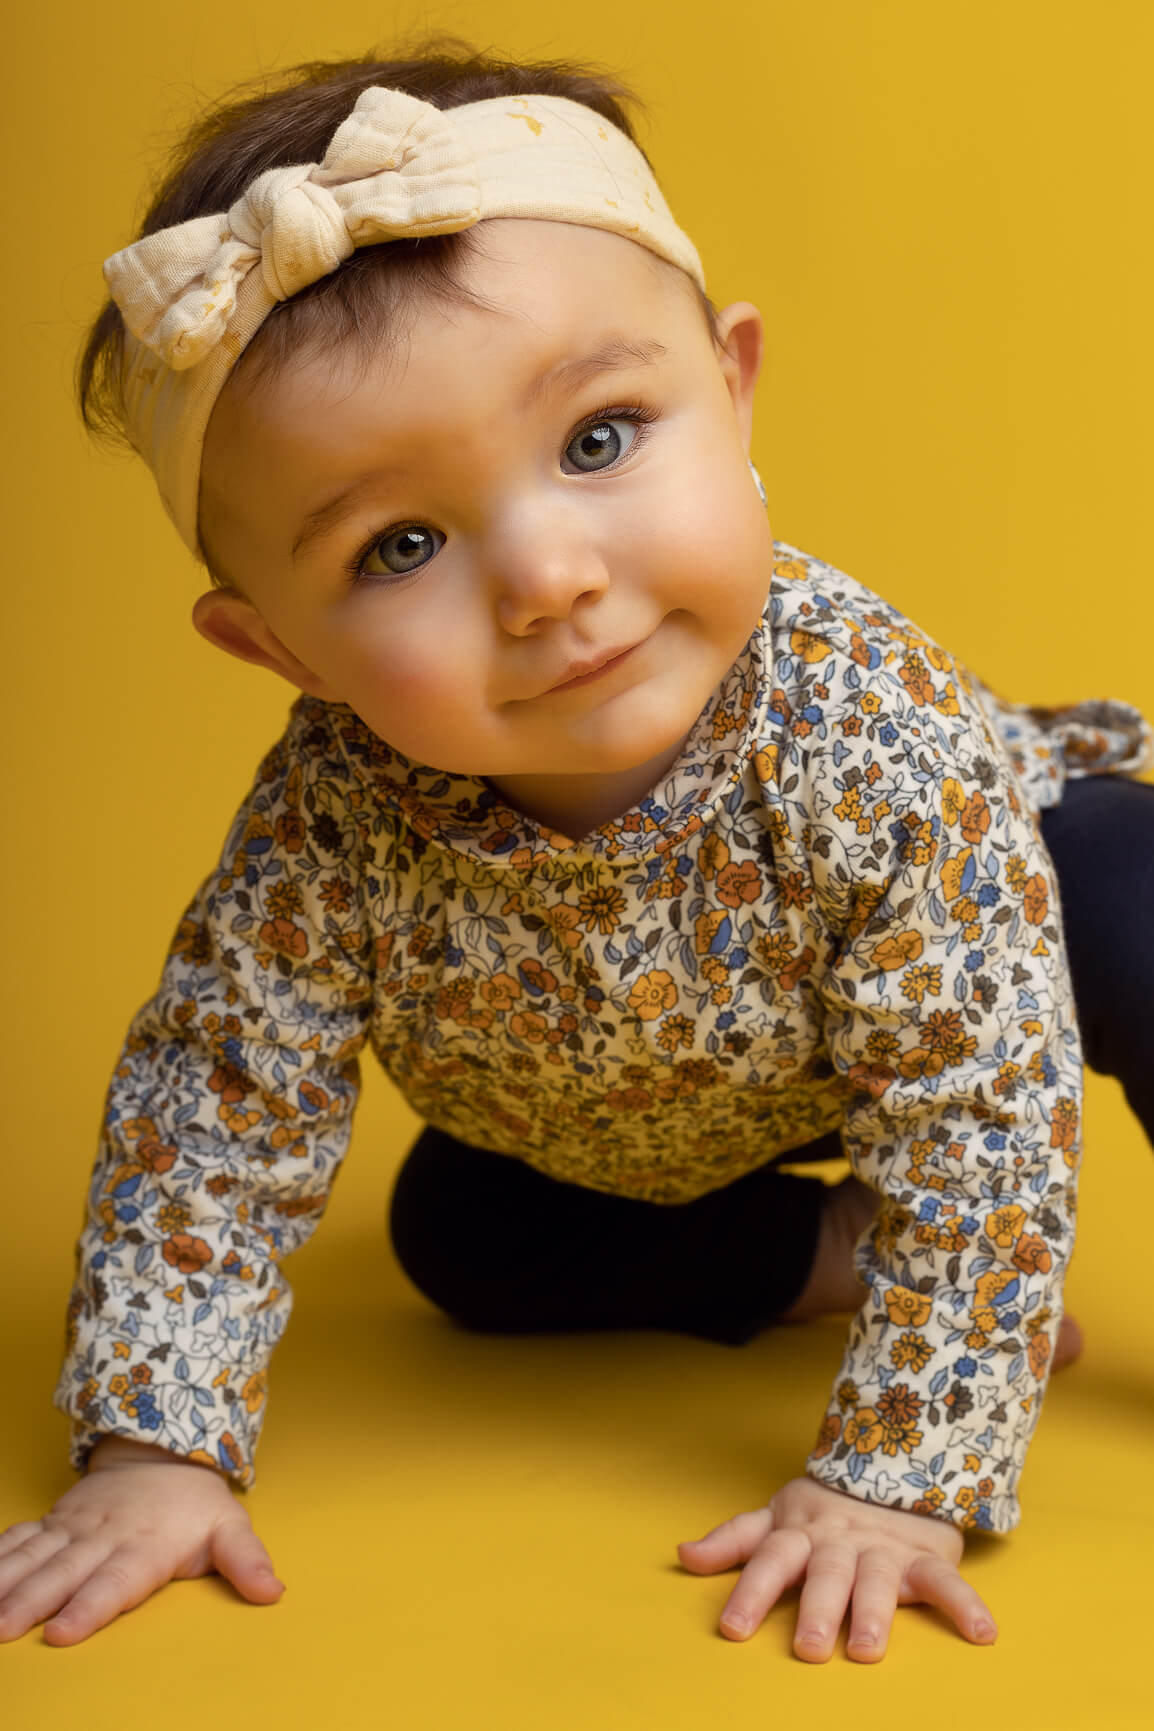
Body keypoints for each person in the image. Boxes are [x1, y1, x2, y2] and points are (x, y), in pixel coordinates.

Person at [1, 38, 1150, 1662]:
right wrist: (153, 1453)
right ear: (281, 651)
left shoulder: (865, 734)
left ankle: (914, 1230)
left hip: (954, 997)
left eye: (599, 439)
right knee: (458, 1238)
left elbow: (979, 1106)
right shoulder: (327, 826)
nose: (546, 578)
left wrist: (898, 1479)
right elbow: (214, 1106)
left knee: (1130, 897)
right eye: (400, 545)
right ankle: (818, 1251)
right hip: (620, 1124)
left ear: (731, 389)